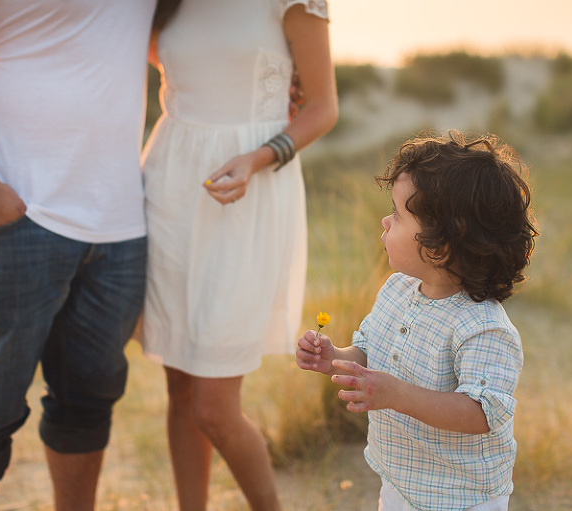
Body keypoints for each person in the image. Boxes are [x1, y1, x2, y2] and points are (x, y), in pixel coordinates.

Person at [0, 1, 178, 510]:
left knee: (89, 403)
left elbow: (161, 40)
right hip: (12, 210)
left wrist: (277, 83)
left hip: (117, 222)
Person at [140, 1, 337, 509]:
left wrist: (258, 157)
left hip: (247, 194)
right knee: (180, 388)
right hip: (168, 191)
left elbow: (322, 107)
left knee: (213, 407)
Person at [297, 131, 538, 511]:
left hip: (464, 497)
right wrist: (335, 357)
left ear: (438, 247)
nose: (385, 220)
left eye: (397, 214)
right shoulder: (396, 289)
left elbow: (480, 413)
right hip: (402, 481)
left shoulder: (482, 326)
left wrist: (395, 394)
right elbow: (369, 352)